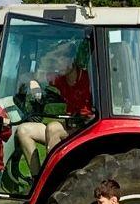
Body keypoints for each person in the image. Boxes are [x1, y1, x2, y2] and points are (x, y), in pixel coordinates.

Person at [14, 41, 94, 175]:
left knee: (53, 128)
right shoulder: (59, 79)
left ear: (71, 60)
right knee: (23, 130)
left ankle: (52, 177)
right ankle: (37, 178)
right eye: (55, 59)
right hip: (68, 127)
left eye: (60, 59)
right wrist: (33, 82)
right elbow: (26, 76)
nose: (57, 64)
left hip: (86, 129)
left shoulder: (88, 78)